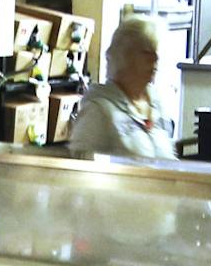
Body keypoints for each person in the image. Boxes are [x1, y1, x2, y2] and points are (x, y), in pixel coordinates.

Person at [68, 14, 177, 159]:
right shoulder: (98, 112)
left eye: (156, 53)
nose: (155, 59)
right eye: (146, 53)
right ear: (124, 57)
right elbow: (82, 173)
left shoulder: (157, 105)